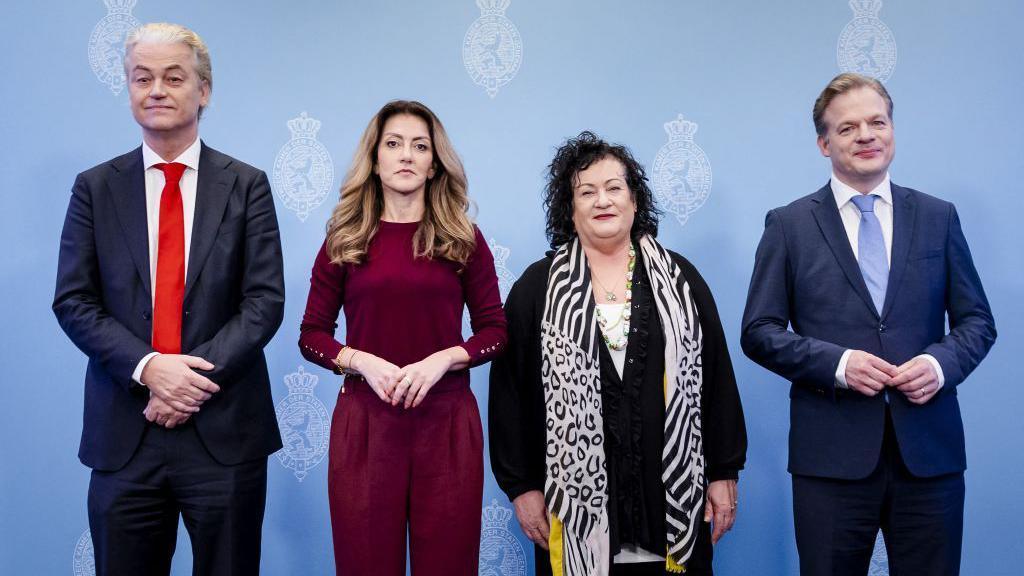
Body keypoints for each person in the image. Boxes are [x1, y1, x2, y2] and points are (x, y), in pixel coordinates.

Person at [741, 73, 996, 576]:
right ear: (824, 143)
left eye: (877, 122)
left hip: (929, 456)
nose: (866, 135)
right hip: (830, 462)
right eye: (848, 127)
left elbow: (977, 321)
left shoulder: (938, 217)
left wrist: (938, 364)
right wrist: (838, 364)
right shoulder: (789, 225)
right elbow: (759, 331)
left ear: (893, 131)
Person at [52, 23, 284, 576]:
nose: (156, 89)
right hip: (124, 434)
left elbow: (263, 302)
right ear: (129, 89)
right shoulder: (96, 187)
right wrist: (150, 369)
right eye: (142, 78)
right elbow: (74, 300)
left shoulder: (246, 185)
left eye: (172, 77)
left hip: (223, 431)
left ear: (203, 91)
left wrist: (187, 384)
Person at [490, 131, 746, 576]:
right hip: (574, 506)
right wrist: (522, 487)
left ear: (634, 199)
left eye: (614, 188)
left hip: (670, 492)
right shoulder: (536, 289)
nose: (602, 200)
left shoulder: (681, 281)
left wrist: (723, 471)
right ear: (569, 208)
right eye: (586, 191)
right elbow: (509, 395)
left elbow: (717, 378)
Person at [298, 100, 507, 576]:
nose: (406, 155)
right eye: (393, 144)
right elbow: (312, 335)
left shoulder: (463, 239)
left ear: (435, 164)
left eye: (419, 146)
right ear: (375, 159)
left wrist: (443, 360)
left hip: (448, 424)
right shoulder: (344, 239)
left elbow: (495, 331)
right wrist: (361, 362)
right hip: (366, 426)